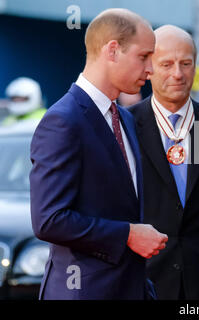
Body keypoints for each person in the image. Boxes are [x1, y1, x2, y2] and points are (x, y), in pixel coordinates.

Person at [29, 8, 168, 300]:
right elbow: (50, 219)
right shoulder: (63, 120)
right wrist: (128, 234)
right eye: (143, 56)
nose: (151, 69)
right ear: (113, 51)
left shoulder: (125, 119)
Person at [129, 25, 199, 299]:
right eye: (166, 64)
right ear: (149, 67)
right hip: (144, 281)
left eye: (186, 63)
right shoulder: (125, 124)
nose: (177, 74)